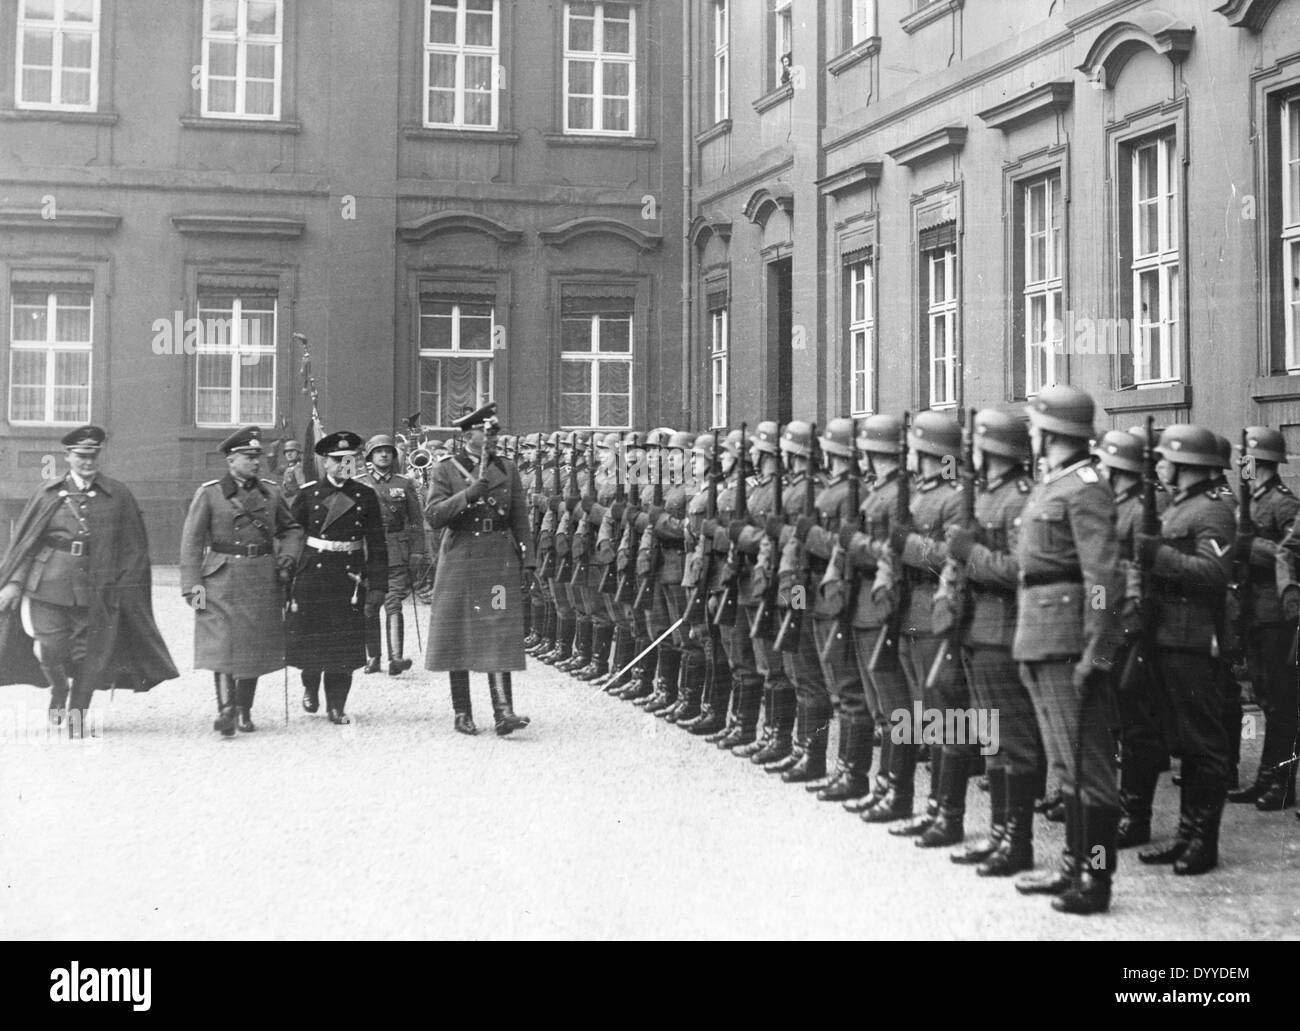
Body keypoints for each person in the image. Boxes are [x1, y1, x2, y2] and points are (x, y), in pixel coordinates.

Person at [1013, 385, 1124, 915]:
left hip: (1068, 645)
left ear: (1054, 431)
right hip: (1040, 638)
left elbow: (1102, 578)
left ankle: (1096, 878)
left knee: (1090, 770)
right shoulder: (1052, 484)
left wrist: (1097, 651)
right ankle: (1073, 866)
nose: (1030, 434)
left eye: (1036, 425)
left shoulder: (1085, 487)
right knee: (1064, 765)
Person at [0, 425, 177, 734]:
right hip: (48, 585)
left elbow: (134, 548)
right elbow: (27, 542)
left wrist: (125, 587)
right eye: (81, 455)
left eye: (93, 455)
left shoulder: (117, 495)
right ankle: (58, 690)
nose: (88, 461)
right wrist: (14, 583)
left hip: (99, 589)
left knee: (91, 655)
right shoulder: (49, 493)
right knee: (51, 648)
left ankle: (78, 714)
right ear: (68, 457)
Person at [1133, 425, 1237, 876]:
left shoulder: (1212, 510)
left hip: (1195, 639)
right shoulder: (1181, 504)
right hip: (1170, 636)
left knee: (1204, 744)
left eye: (1165, 458)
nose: (1159, 464)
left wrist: (1157, 556)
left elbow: (1214, 574)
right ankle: (1185, 835)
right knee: (1186, 743)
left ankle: (1202, 842)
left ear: (1187, 463)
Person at [180, 426, 303, 735]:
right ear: (230, 460)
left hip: (261, 575)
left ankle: (243, 709)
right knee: (222, 644)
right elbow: (192, 543)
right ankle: (225, 710)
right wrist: (191, 586)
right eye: (248, 457)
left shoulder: (270, 492)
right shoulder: (209, 493)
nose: (255, 462)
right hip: (220, 577)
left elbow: (291, 529)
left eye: (257, 457)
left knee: (253, 643)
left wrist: (287, 556)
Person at [424, 402, 534, 736]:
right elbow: (433, 516)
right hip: (460, 558)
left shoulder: (508, 468)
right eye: (485, 433)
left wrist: (527, 559)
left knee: (498, 629)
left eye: (495, 433)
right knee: (457, 631)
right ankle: (462, 712)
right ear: (467, 435)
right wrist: (468, 496)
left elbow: (519, 516)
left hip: (497, 560)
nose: (491, 439)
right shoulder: (446, 470)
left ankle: (504, 712)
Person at [286, 431, 388, 725]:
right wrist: (286, 577)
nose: (345, 464)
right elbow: (292, 537)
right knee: (311, 640)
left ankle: (337, 705)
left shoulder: (365, 495)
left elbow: (377, 544)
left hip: (349, 578)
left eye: (351, 459)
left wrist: (378, 586)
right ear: (325, 463)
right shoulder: (308, 494)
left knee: (342, 645)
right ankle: (310, 686)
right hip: (313, 576)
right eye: (337, 460)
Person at [357, 434, 429, 676]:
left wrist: (418, 551)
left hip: (398, 550)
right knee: (369, 606)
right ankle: (373, 657)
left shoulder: (404, 483)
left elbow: (417, 521)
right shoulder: (359, 483)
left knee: (393, 602)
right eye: (378, 451)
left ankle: (396, 658)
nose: (384, 455)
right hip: (368, 552)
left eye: (388, 451)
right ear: (370, 456)